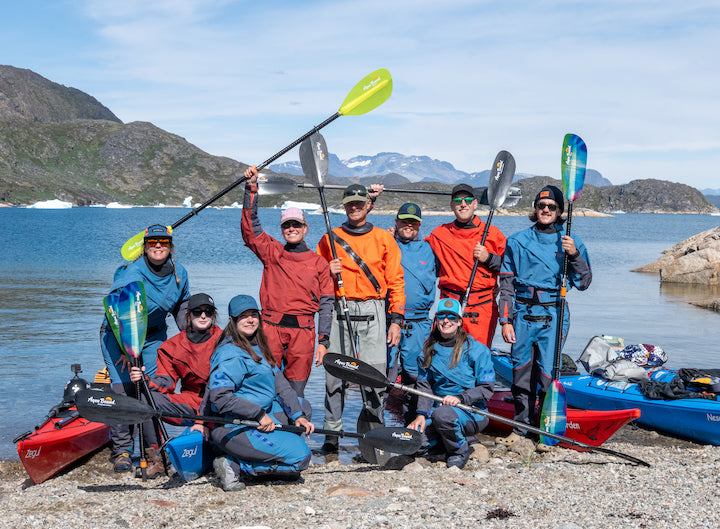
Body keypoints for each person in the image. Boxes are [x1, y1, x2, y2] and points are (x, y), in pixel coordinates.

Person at [496, 185, 592, 448]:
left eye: (551, 207)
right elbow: (505, 285)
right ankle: (520, 428)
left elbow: (583, 283)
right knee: (520, 373)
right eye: (541, 206)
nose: (545, 210)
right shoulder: (516, 241)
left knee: (548, 375)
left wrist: (573, 255)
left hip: (554, 314)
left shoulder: (571, 241)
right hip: (523, 315)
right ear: (535, 208)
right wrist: (505, 321)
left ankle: (545, 429)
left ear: (560, 211)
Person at [316, 183, 406, 453]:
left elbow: (396, 282)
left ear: (368, 205)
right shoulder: (329, 238)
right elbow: (318, 282)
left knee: (375, 378)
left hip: (374, 312)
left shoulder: (384, 239)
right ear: (344, 206)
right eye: (349, 203)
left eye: (359, 203)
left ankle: (374, 436)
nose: (354, 207)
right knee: (335, 379)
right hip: (341, 311)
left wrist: (396, 320)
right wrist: (327, 271)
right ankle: (331, 438)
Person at [100, 224, 190, 474]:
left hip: (153, 337)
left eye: (163, 241)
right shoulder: (132, 272)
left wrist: (191, 336)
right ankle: (122, 452)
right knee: (124, 389)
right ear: (145, 246)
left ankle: (153, 451)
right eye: (152, 242)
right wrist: (125, 351)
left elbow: (182, 306)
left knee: (150, 390)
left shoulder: (179, 273)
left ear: (170, 246)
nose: (158, 246)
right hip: (117, 334)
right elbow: (114, 311)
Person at [240, 166, 334, 396]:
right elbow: (251, 228)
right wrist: (251, 188)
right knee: (265, 386)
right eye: (286, 225)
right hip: (271, 328)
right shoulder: (272, 252)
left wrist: (324, 341)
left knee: (296, 392)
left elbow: (326, 305)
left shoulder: (319, 263)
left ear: (305, 228)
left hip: (304, 333)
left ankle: (294, 428)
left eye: (296, 225)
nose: (291, 228)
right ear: (282, 229)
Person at [207, 295, 314, 491]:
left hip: (262, 414)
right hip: (235, 424)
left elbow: (280, 385)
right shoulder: (230, 354)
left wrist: (298, 416)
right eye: (243, 316)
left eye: (253, 315)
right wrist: (258, 414)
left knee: (302, 406)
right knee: (302, 458)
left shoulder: (256, 346)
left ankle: (271, 448)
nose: (250, 320)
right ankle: (235, 465)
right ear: (232, 320)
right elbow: (220, 397)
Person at [129, 292, 222, 467]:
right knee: (145, 398)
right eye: (197, 311)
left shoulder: (226, 340)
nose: (203, 315)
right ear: (188, 315)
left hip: (220, 404)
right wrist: (145, 381)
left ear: (214, 315)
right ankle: (156, 457)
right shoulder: (171, 346)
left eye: (208, 311)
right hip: (191, 402)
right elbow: (166, 381)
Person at [407, 298, 495, 469]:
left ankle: (459, 451)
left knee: (444, 415)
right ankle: (448, 443)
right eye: (441, 316)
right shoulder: (427, 351)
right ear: (436, 320)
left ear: (459, 322)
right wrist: (421, 415)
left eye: (451, 317)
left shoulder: (478, 350)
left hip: (472, 412)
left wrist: (460, 398)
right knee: (413, 443)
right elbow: (424, 387)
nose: (446, 320)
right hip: (437, 411)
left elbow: (487, 389)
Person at [426, 184, 506, 347]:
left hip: (482, 307)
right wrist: (395, 239)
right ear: (452, 205)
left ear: (475, 204)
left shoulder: (492, 233)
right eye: (458, 200)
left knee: (478, 356)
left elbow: (511, 268)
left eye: (468, 200)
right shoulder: (439, 234)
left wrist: (489, 258)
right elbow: (418, 257)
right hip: (449, 305)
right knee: (442, 354)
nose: (463, 204)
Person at [385, 202, 439, 424]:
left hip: (419, 325)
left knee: (415, 377)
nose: (409, 225)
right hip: (390, 322)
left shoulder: (430, 249)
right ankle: (375, 424)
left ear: (419, 225)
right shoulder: (386, 244)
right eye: (404, 221)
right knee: (385, 374)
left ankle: (412, 424)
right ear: (395, 222)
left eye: (413, 222)